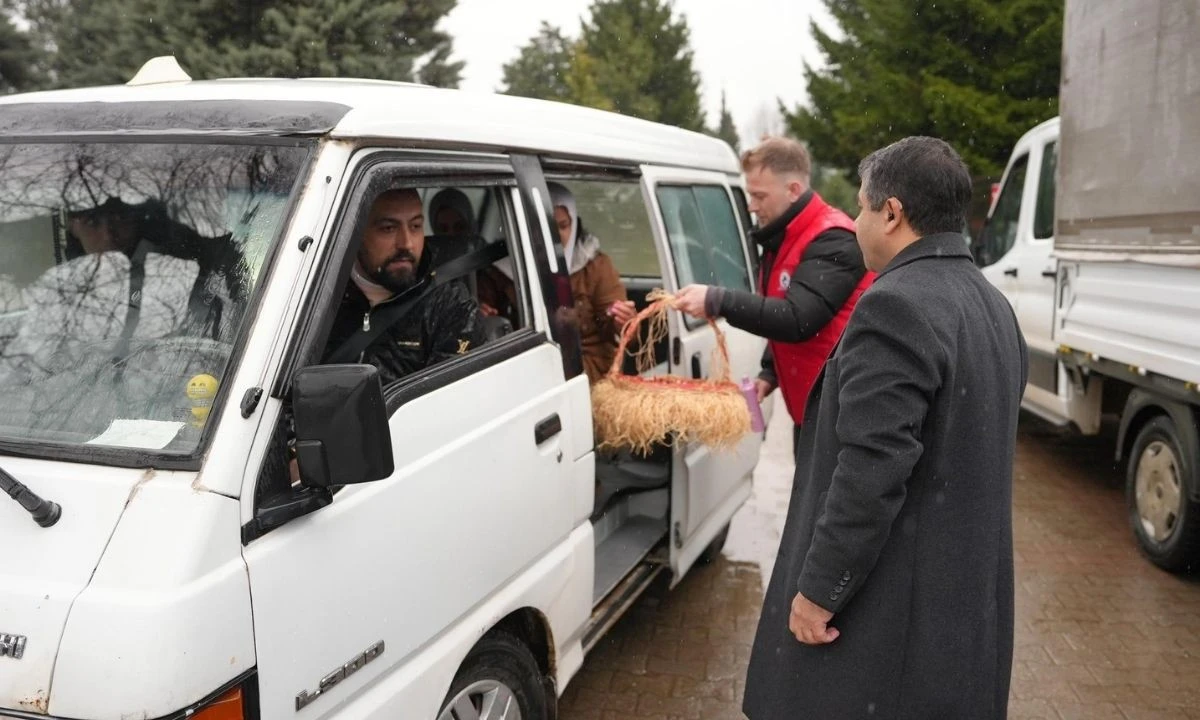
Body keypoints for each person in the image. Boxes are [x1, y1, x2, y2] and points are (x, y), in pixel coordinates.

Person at [741, 137, 1028, 719]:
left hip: (891, 624)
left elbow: (871, 470)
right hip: (960, 616)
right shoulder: (991, 303)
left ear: (892, 213)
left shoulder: (895, 306)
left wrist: (819, 590)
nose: (855, 223)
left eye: (862, 208)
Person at [674, 137, 873, 452]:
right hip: (812, 411)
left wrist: (718, 300)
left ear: (793, 190)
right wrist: (770, 372)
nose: (752, 206)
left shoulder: (834, 239)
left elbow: (798, 319)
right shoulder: (785, 235)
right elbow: (786, 306)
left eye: (759, 196)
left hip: (840, 418)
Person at [322, 188, 483, 386]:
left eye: (415, 226)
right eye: (389, 228)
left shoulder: (450, 307)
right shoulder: (320, 293)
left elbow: (449, 399)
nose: (406, 244)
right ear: (356, 232)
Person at [478, 182, 636, 383]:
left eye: (563, 226)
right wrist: (483, 316)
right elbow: (484, 322)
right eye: (546, 226)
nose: (555, 234)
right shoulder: (502, 270)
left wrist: (624, 321)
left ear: (574, 225)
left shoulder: (594, 266)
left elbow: (619, 329)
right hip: (525, 372)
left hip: (588, 374)